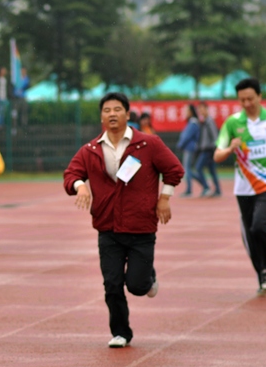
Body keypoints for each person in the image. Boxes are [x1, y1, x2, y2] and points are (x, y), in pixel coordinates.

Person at [63, 92, 184, 348]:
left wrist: (164, 198)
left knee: (138, 287)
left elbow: (174, 170)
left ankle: (147, 276)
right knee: (112, 284)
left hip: (141, 227)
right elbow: (71, 173)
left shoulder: (148, 144)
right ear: (101, 116)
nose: (112, 114)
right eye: (107, 110)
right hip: (107, 228)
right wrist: (80, 186)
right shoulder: (91, 149)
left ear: (128, 114)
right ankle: (121, 332)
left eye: (117, 109)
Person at [214, 77, 266, 295]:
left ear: (259, 96)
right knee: (249, 234)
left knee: (259, 226)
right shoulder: (233, 123)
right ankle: (262, 272)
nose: (247, 103)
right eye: (242, 100)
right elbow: (217, 155)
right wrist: (230, 149)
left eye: (250, 98)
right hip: (243, 187)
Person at [176, 104, 206, 197]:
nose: (185, 113)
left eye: (187, 111)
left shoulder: (193, 122)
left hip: (189, 148)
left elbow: (187, 136)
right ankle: (205, 185)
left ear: (191, 112)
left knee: (187, 169)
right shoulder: (191, 122)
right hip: (188, 148)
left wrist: (180, 145)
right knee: (188, 170)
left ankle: (190, 190)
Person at [194, 102, 221, 197]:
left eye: (202, 109)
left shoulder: (209, 121)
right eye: (199, 109)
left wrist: (215, 148)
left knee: (198, 167)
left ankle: (206, 187)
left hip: (209, 150)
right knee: (212, 170)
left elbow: (215, 136)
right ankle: (218, 189)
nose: (200, 111)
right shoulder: (203, 121)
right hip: (205, 149)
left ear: (206, 109)